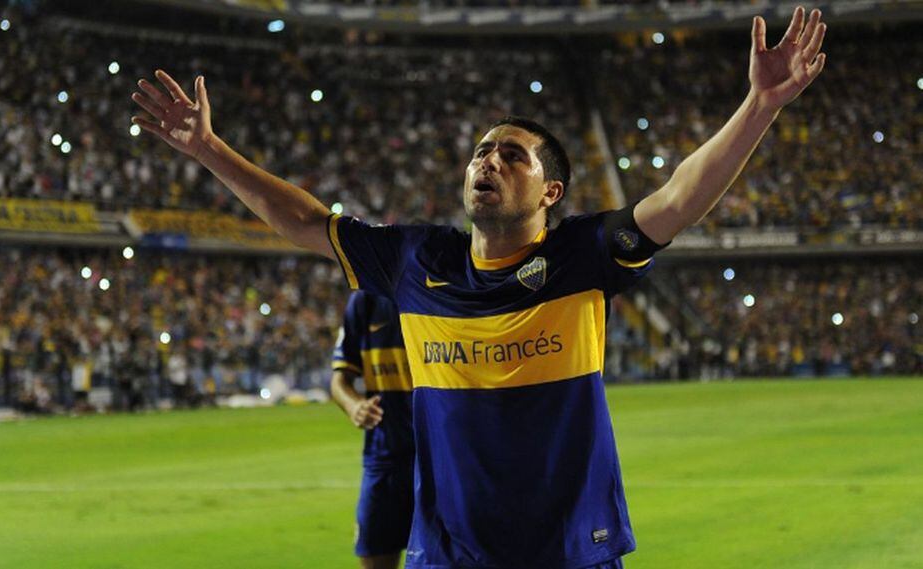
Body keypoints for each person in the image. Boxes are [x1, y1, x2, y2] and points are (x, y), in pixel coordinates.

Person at [131, 7, 826, 567]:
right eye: (481, 151)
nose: (487, 161)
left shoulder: (581, 256)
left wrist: (760, 105)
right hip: (449, 555)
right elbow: (309, 221)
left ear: (551, 191)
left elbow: (676, 199)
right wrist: (208, 149)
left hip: (570, 551)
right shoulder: (415, 260)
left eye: (511, 155)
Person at [331, 291, 415, 569]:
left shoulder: (438, 285)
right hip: (385, 459)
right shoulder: (364, 300)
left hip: (438, 460)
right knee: (376, 556)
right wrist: (354, 405)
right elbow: (339, 381)